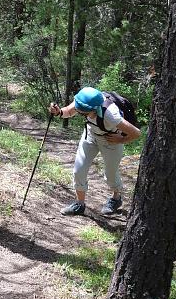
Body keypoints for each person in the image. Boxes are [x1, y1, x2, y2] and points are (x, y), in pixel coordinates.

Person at [50, 87, 141, 216]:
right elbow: (68, 112)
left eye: (80, 111)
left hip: (111, 141)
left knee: (110, 174)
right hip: (91, 136)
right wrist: (58, 112)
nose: (76, 109)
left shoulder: (111, 114)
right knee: (78, 170)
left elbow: (136, 133)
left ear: (91, 110)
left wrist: (120, 139)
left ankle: (116, 198)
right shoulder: (83, 101)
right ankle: (79, 204)